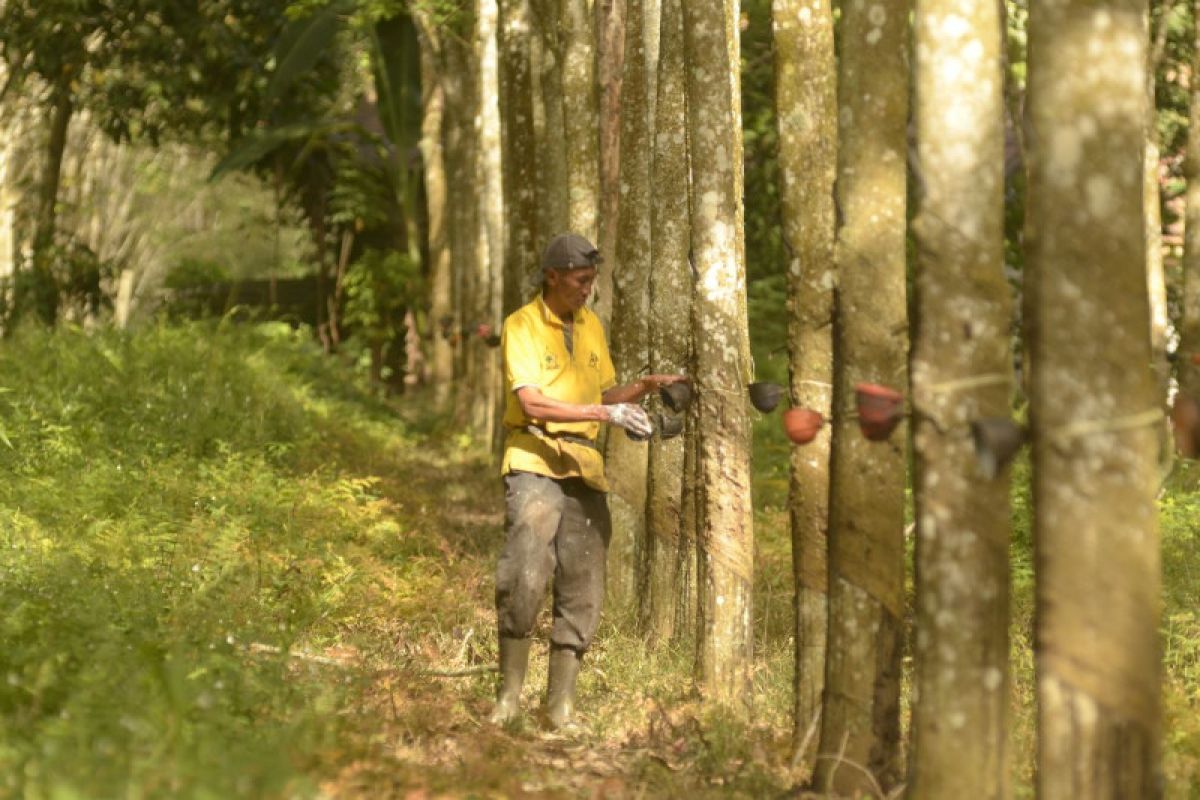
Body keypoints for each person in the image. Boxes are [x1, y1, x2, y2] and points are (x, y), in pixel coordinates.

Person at [490, 232, 688, 731]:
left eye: (591, 281)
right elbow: (532, 402)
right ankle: (509, 699)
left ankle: (560, 708)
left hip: (585, 467)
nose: (586, 290)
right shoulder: (522, 325)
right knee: (526, 572)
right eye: (579, 281)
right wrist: (606, 410)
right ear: (552, 276)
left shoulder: (592, 325)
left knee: (583, 583)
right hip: (534, 458)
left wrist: (640, 389)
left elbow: (603, 390)